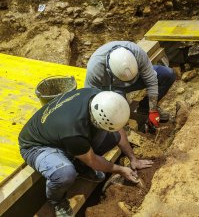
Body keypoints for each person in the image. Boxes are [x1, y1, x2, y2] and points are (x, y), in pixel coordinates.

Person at [19, 89, 153, 217]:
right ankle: (56, 201)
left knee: (112, 138)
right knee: (65, 173)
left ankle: (80, 166)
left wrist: (133, 159)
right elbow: (93, 160)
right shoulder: (73, 131)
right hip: (36, 146)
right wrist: (120, 170)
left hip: (59, 134)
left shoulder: (100, 99)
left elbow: (117, 130)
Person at [85, 41, 176, 132]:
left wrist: (153, 109)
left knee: (168, 74)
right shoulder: (95, 69)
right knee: (117, 111)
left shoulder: (137, 53)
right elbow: (90, 96)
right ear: (109, 70)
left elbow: (151, 81)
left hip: (137, 79)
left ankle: (144, 108)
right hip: (114, 89)